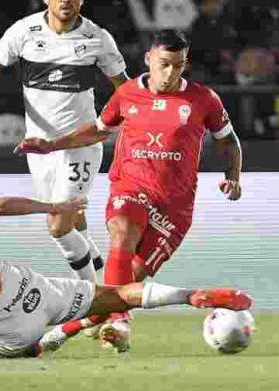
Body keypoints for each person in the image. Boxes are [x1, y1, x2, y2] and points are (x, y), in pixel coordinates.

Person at [16, 30, 244, 352]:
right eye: (164, 64)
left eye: (178, 66)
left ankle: (65, 332)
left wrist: (233, 177)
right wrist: (51, 145)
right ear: (149, 58)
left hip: (174, 210)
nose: (170, 73)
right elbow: (97, 130)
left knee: (122, 287)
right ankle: (120, 322)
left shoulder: (203, 99)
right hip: (131, 187)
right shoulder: (127, 94)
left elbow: (229, 141)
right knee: (121, 231)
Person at [0, 196, 252, 360]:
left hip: (10, 331)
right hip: (39, 291)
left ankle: (44, 343)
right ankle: (190, 294)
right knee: (119, 295)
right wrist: (54, 205)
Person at [0, 0, 129, 283]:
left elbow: (125, 90)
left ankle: (92, 295)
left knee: (58, 225)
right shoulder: (24, 31)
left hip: (79, 146)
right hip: (39, 148)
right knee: (74, 222)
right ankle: (97, 267)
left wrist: (113, 121)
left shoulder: (97, 38)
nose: (66, 1)